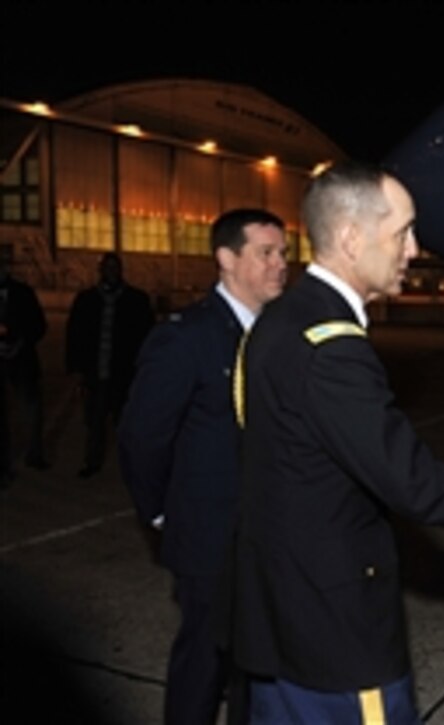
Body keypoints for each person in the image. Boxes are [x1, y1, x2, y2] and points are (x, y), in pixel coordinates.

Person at [224, 162, 444, 724]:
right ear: (353, 239)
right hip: (334, 636)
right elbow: (417, 486)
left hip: (279, 618)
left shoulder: (280, 319)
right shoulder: (332, 350)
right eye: (403, 231)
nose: (414, 248)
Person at [118, 208, 289, 725]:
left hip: (269, 535)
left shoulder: (279, 336)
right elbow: (141, 437)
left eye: (284, 253)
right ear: (226, 259)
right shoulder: (186, 337)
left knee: (255, 667)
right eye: (267, 253)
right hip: (209, 538)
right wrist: (162, 514)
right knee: (203, 663)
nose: (281, 264)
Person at [65, 252, 155, 479]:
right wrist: (76, 368)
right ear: (101, 270)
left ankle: (132, 465)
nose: (111, 272)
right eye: (107, 267)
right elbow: (74, 335)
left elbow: (147, 336)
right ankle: (92, 461)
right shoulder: (87, 300)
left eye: (115, 267)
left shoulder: (136, 300)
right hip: (95, 372)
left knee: (126, 423)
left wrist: (145, 369)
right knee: (94, 421)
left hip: (124, 373)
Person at [0, 249, 48, 483]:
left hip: (22, 360)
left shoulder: (22, 293)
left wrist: (21, 341)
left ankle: (34, 452)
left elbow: (39, 325)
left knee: (30, 409)